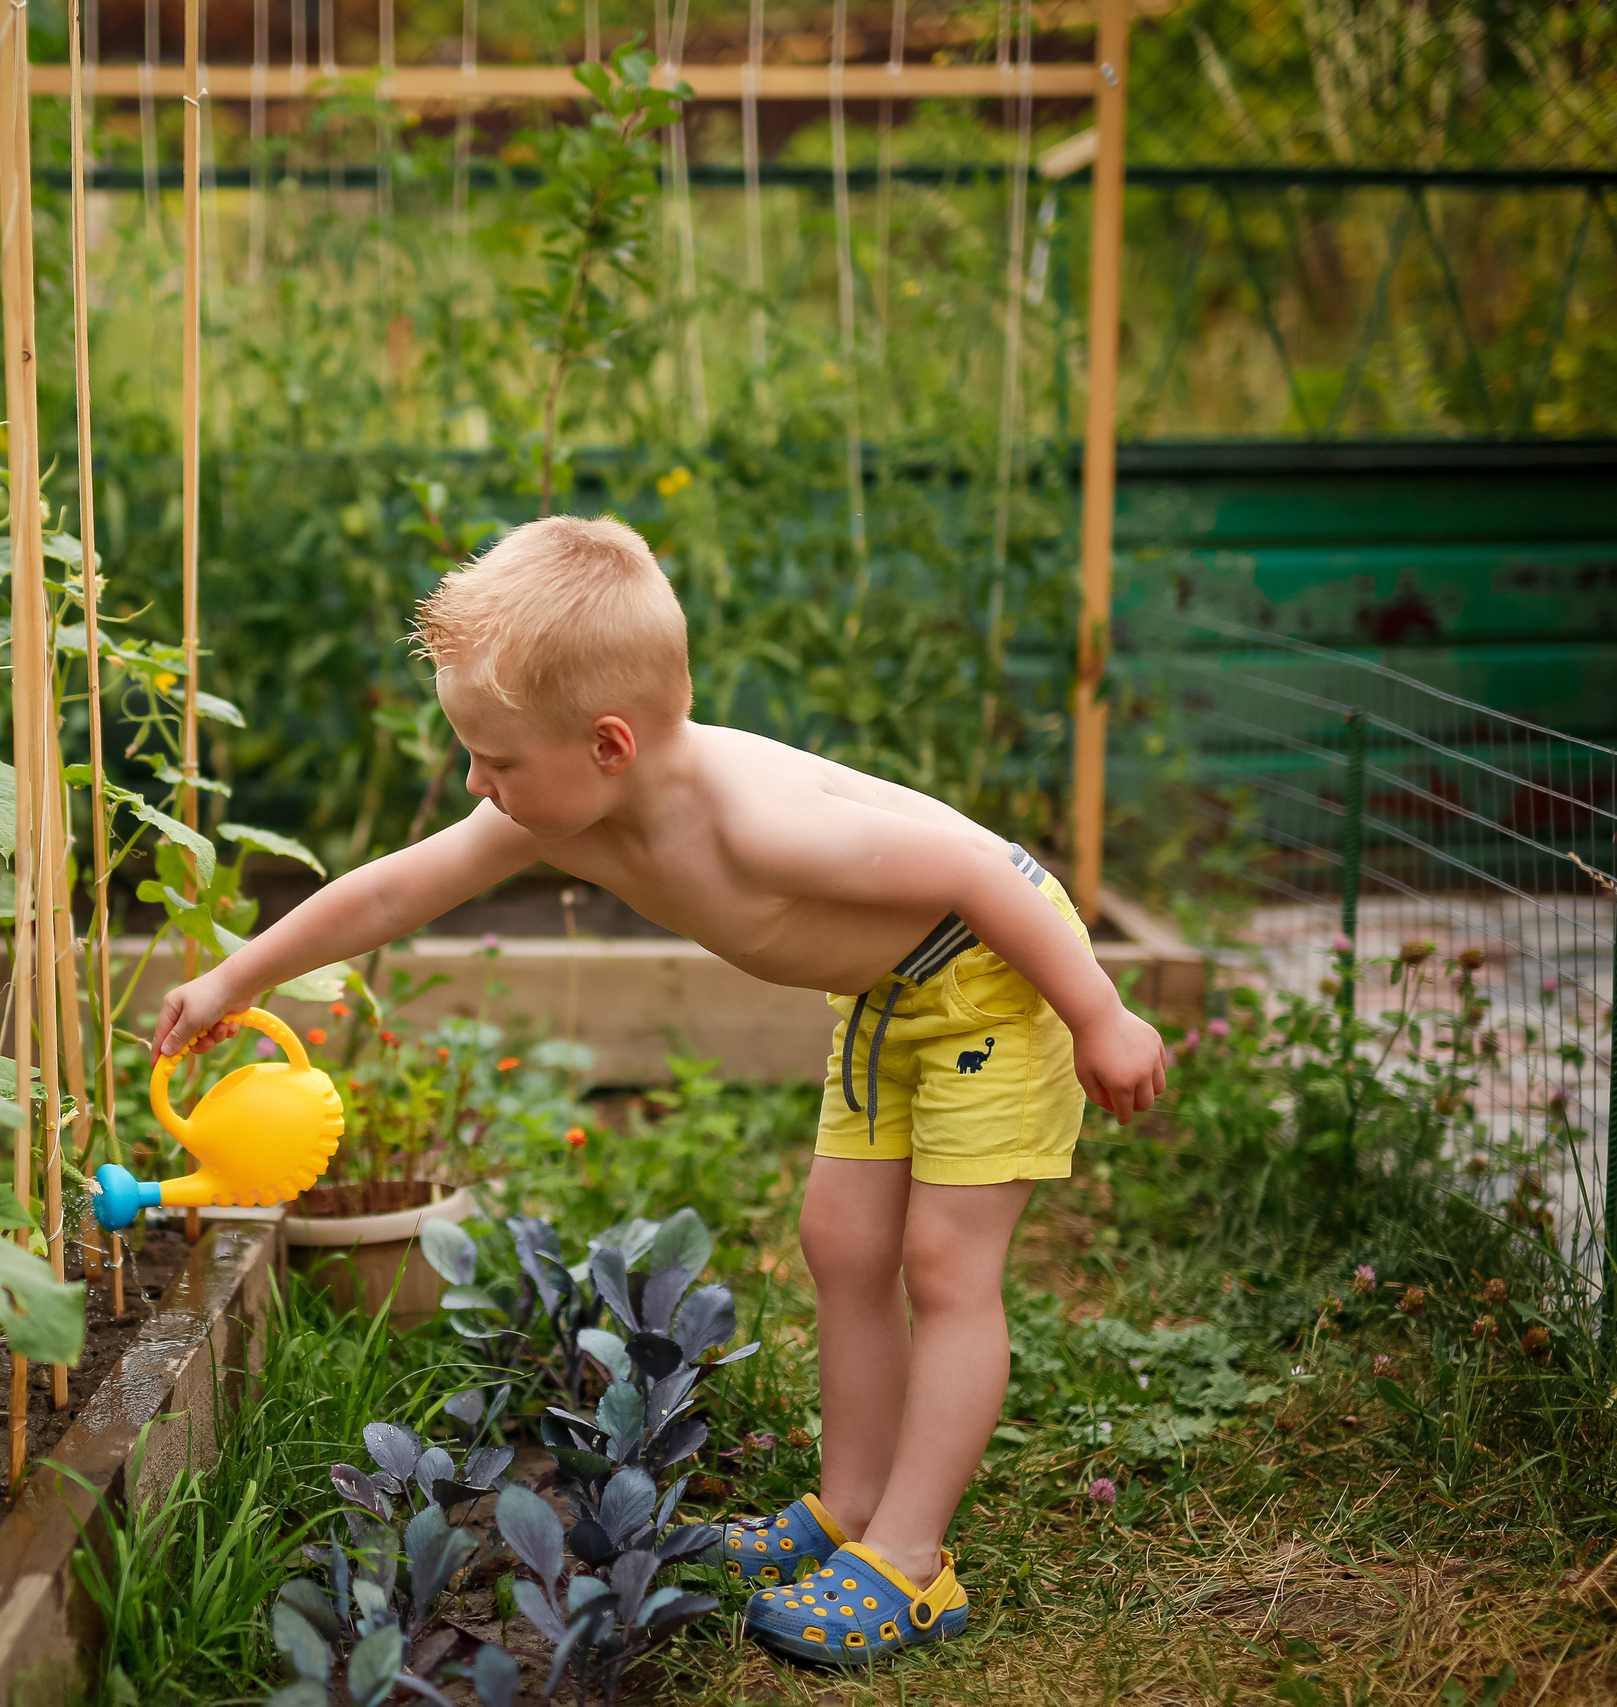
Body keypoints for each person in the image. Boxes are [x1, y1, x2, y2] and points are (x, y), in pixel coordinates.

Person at [152, 513, 1167, 1665]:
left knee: (943, 1264)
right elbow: (393, 890)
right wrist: (237, 974)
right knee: (841, 1242)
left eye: (496, 762)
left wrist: (1099, 1014)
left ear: (608, 744)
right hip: (887, 998)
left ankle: (911, 1561)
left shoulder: (753, 824)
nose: (477, 783)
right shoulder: (558, 809)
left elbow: (983, 873)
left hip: (997, 975)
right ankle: (848, 1508)